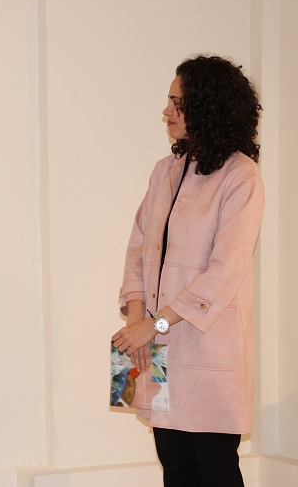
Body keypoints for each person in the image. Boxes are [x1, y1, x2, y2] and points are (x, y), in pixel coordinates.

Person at [111, 55, 264, 487]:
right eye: (169, 101)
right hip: (154, 349)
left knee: (215, 471)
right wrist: (137, 324)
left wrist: (154, 325)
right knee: (175, 468)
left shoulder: (242, 176)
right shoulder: (165, 171)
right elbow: (138, 250)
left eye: (177, 103)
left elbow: (224, 272)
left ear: (207, 107)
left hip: (207, 350)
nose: (166, 111)